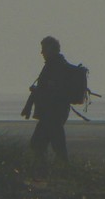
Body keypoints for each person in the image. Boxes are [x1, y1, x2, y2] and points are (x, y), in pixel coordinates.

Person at [21, 35, 71, 164]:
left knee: (50, 146)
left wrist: (36, 95)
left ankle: (52, 173)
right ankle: (46, 172)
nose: (41, 52)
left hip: (53, 113)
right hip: (51, 113)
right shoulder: (52, 65)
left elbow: (52, 90)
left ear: (51, 49)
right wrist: (28, 106)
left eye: (43, 49)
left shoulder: (56, 66)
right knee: (40, 145)